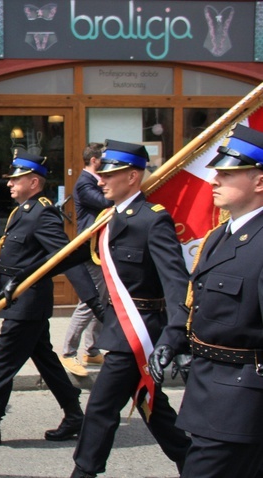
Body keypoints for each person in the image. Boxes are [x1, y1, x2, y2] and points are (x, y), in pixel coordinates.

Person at [0, 150, 102, 448]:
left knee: (2, 365)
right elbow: (19, 241)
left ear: (34, 182)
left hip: (27, 303)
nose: (8, 183)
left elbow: (66, 256)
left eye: (15, 179)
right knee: (46, 361)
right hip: (20, 301)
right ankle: (74, 415)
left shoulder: (42, 212)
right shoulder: (24, 209)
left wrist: (95, 301)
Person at [70, 140, 191, 478]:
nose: (101, 180)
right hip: (120, 326)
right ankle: (192, 459)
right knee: (150, 402)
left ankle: (84, 472)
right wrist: (20, 277)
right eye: (101, 173)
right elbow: (72, 256)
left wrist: (175, 333)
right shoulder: (108, 219)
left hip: (141, 329)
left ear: (133, 177)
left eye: (110, 174)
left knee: (101, 407)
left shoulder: (153, 220)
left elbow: (176, 283)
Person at [149, 123, 263, 478]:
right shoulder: (219, 235)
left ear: (259, 181)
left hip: (242, 400)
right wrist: (172, 339)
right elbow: (194, 300)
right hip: (207, 388)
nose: (214, 180)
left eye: (227, 174)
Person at [60, 143, 112, 377]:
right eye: (104, 160)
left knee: (102, 298)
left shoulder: (95, 181)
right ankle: (68, 352)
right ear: (94, 160)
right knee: (89, 301)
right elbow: (106, 203)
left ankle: (91, 350)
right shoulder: (84, 183)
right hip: (90, 249)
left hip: (102, 247)